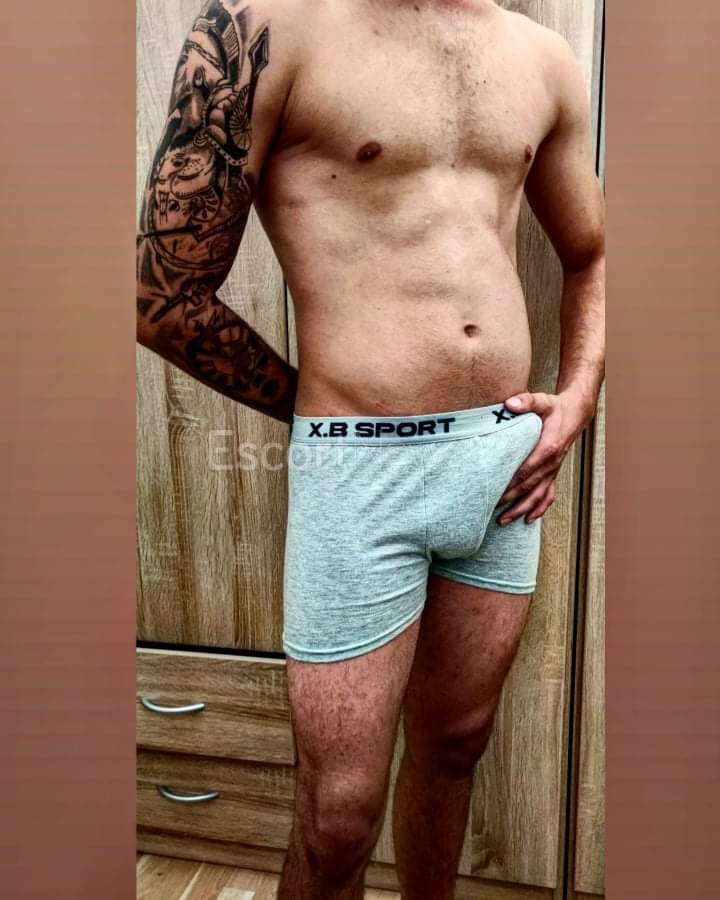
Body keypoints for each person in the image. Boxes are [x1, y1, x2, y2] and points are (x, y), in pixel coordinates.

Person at [136, 0, 605, 897]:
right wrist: (333, 414)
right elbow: (162, 294)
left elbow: (591, 253)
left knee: (457, 743)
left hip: (505, 464)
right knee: (339, 817)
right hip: (358, 467)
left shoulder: (542, 58)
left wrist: (577, 395)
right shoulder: (265, 27)